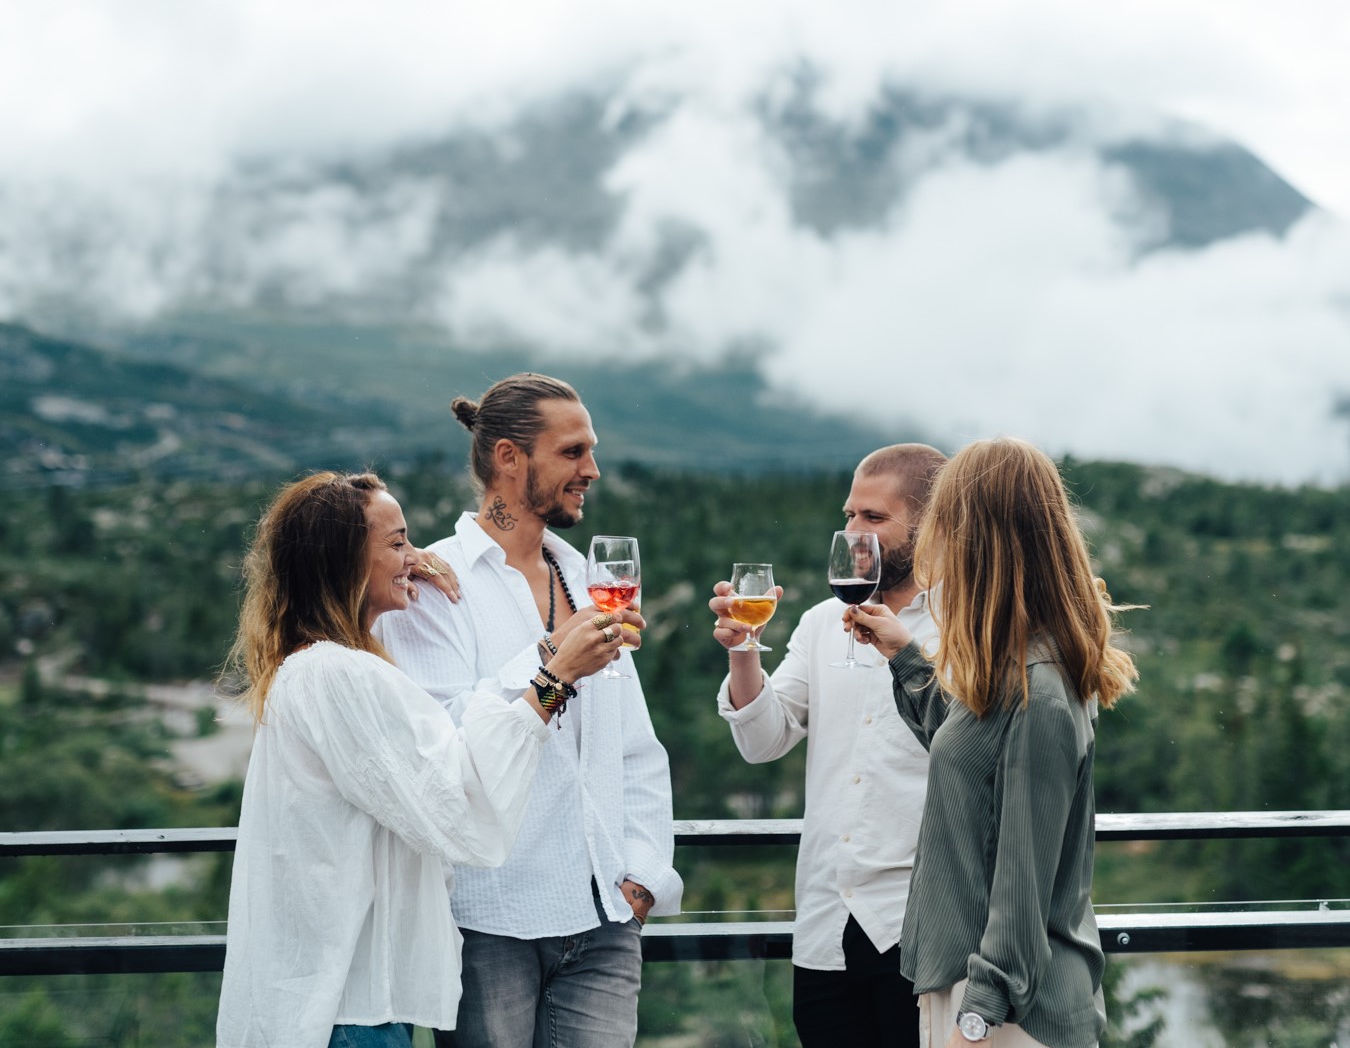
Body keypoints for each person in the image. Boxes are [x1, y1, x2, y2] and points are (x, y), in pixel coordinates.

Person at [215, 470, 623, 1048]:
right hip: (345, 1009)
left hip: (345, 999)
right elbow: (458, 801)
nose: (419, 556)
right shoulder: (338, 675)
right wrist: (556, 677)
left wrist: (399, 567)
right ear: (345, 561)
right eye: (398, 541)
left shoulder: (317, 667)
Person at [374, 373, 681, 1048]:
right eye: (573, 452)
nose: (592, 470)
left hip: (605, 919)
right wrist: (552, 656)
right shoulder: (431, 587)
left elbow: (635, 750)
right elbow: (444, 745)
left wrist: (643, 880)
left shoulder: (592, 584)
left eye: (591, 451)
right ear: (509, 458)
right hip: (490, 923)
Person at [848, 438, 1138, 1048]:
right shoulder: (1011, 666)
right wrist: (904, 656)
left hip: (1011, 1015)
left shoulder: (1040, 690)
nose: (933, 545)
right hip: (973, 991)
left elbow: (1022, 885)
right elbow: (968, 746)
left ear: (978, 541)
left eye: (944, 525)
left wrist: (976, 1020)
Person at [710, 443, 948, 1048]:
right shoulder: (821, 622)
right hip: (825, 922)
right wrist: (744, 651)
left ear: (931, 523)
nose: (854, 533)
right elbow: (763, 742)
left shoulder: (968, 625)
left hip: (921, 923)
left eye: (874, 517)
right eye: (849, 515)